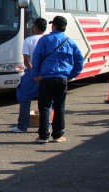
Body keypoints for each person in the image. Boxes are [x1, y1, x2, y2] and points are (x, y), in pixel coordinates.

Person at [32, 15, 84, 144]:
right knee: (59, 106)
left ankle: (43, 135)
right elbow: (79, 60)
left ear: (54, 25)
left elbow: (36, 57)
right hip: (62, 79)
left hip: (46, 78)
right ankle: (58, 135)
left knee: (44, 106)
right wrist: (72, 74)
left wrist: (35, 74)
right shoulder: (70, 42)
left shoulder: (45, 40)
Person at [11, 17, 47, 133]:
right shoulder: (48, 40)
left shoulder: (29, 40)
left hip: (31, 74)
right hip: (45, 74)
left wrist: (33, 72)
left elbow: (26, 60)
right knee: (46, 102)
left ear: (35, 27)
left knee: (25, 100)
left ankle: (22, 126)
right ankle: (47, 126)